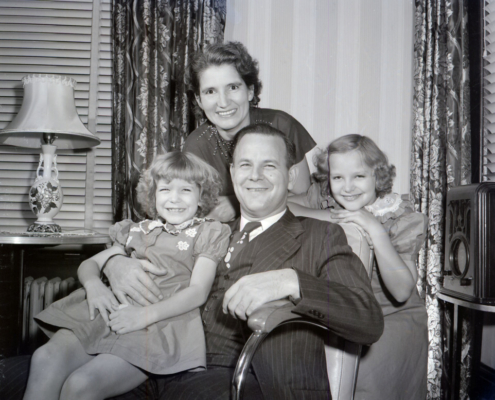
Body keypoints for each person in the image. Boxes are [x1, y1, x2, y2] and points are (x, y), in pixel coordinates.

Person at [99, 124, 384, 400]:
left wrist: (291, 281)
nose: (255, 176)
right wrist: (114, 262)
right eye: (246, 165)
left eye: (269, 166)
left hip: (246, 380)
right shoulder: (203, 232)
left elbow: (368, 319)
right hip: (156, 362)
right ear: (233, 173)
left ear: (290, 176)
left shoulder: (319, 235)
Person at [23, 152, 231, 400]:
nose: (174, 198)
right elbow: (90, 264)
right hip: (110, 314)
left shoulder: (208, 232)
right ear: (153, 194)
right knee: (44, 357)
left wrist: (143, 316)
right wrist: (94, 286)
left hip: (157, 325)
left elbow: (198, 291)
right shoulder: (136, 230)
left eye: (186, 190)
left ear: (201, 196)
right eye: (165, 189)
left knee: (80, 385)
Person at [290, 134, 428, 400]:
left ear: (378, 176)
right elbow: (282, 206)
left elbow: (401, 291)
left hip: (392, 321)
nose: (347, 187)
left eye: (359, 176)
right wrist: (341, 218)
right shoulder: (327, 200)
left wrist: (374, 228)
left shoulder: (398, 215)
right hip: (344, 314)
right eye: (337, 177)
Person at [183, 41, 317, 222]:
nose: (223, 102)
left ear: (250, 91)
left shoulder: (281, 125)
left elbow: (305, 199)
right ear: (199, 100)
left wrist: (236, 204)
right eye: (210, 91)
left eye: (233, 87)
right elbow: (198, 213)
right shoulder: (197, 145)